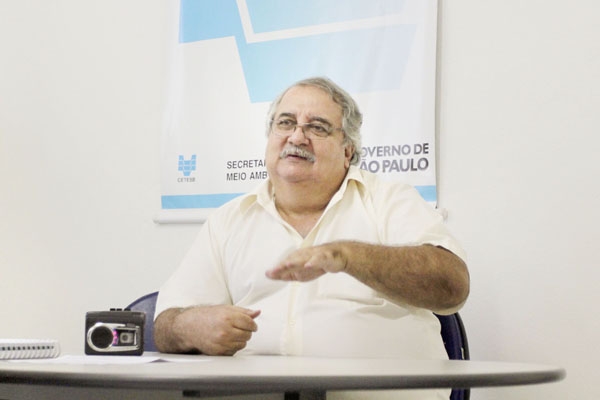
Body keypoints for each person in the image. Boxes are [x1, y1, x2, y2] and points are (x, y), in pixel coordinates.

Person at [154, 77, 469, 400]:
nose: (297, 137)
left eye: (317, 127)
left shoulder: (389, 201)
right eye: (285, 123)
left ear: (348, 151)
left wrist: (349, 256)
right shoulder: (228, 220)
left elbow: (452, 287)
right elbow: (164, 325)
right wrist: (191, 326)